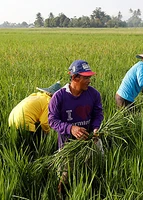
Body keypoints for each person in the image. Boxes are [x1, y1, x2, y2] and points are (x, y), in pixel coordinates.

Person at [48, 60, 104, 198]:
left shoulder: (94, 94)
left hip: (90, 141)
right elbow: (52, 120)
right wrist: (70, 128)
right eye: (86, 77)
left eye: (90, 77)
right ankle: (62, 196)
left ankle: (92, 192)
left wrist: (96, 128)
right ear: (74, 78)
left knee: (94, 169)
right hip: (68, 145)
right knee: (65, 176)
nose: (89, 80)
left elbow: (98, 114)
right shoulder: (59, 97)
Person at [8, 81, 61, 151]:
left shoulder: (36, 96)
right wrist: (48, 135)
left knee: (18, 145)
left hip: (11, 119)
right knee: (29, 149)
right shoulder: (48, 102)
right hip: (24, 122)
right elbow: (44, 123)